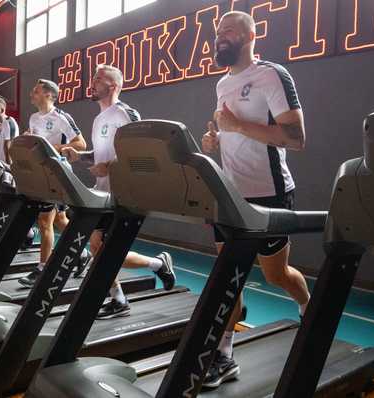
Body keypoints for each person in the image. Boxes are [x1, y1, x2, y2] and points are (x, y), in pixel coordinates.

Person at [200, 11, 308, 388]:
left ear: (250, 35)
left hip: (270, 194)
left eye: (227, 30)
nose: (220, 37)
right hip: (230, 195)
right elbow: (227, 130)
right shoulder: (220, 84)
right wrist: (215, 140)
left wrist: (237, 127)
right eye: (217, 33)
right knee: (226, 277)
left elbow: (295, 137)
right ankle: (225, 354)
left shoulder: (271, 75)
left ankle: (308, 306)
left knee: (276, 274)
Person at [62, 65, 176, 319]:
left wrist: (111, 166)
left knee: (107, 252)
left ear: (113, 86)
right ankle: (123, 294)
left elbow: (144, 151)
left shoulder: (125, 113)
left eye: (98, 78)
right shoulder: (98, 119)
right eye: (93, 77)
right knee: (97, 248)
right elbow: (100, 156)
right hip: (103, 193)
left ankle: (155, 267)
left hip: (126, 194)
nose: (92, 82)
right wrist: (79, 155)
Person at [18, 79, 89, 287]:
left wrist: (54, 147)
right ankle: (83, 253)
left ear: (49, 95)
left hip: (57, 174)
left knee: (44, 220)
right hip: (41, 173)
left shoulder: (61, 117)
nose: (32, 93)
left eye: (36, 91)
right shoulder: (33, 118)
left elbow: (81, 143)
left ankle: (42, 268)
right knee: (60, 220)